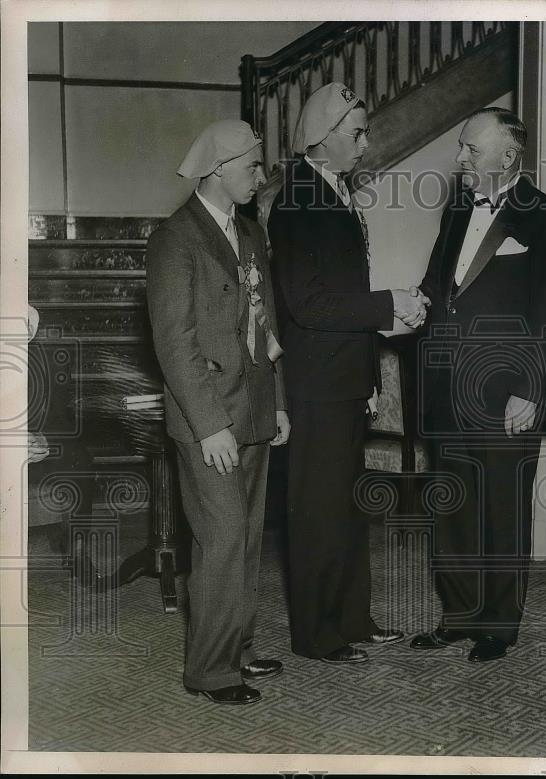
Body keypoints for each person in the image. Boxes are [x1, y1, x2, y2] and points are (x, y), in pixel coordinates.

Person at [267, 82, 424, 665]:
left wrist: (370, 372)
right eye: (355, 133)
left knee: (348, 506)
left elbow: (342, 295)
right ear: (322, 137)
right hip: (314, 383)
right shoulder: (297, 201)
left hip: (344, 378)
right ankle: (317, 633)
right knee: (317, 511)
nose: (364, 144)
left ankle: (353, 619)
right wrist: (389, 304)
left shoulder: (333, 193)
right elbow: (309, 304)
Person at [409, 107, 546, 663]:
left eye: (470, 150)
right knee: (452, 503)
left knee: (503, 507)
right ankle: (458, 614)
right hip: (445, 385)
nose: (459, 160)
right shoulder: (458, 208)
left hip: (507, 391)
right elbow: (438, 283)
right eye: (460, 147)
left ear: (509, 156)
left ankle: (498, 625)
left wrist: (533, 387)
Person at [146, 119, 290, 705]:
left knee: (248, 535)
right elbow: (174, 342)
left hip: (254, 408)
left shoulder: (250, 232)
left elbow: (267, 321)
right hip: (208, 418)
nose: (260, 176)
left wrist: (278, 401)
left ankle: (238, 646)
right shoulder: (176, 238)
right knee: (222, 537)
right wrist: (209, 426)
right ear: (218, 170)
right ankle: (210, 670)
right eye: (252, 167)